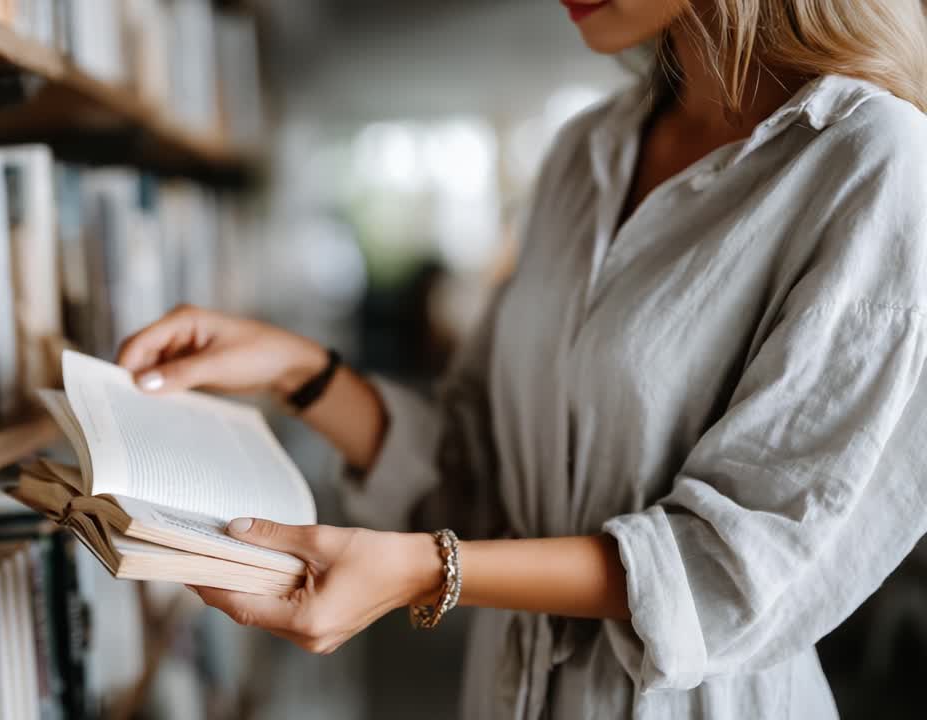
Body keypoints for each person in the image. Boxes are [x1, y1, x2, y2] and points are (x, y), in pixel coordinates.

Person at [117, 0, 927, 717]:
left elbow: (741, 570)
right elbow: (477, 474)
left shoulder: (877, 162)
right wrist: (300, 371)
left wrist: (430, 571)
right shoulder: (584, 153)